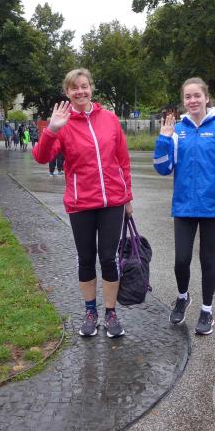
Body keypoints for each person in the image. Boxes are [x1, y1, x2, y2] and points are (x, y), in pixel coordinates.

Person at [32, 68, 133, 338]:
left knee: (109, 258)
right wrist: (52, 130)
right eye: (74, 88)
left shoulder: (110, 119)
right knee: (86, 259)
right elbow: (41, 157)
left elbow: (122, 160)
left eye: (84, 86)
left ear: (91, 88)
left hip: (112, 201)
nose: (80, 91)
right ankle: (90, 312)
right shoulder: (62, 124)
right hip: (81, 203)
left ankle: (110, 313)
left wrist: (128, 198)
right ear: (67, 92)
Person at [153, 77, 215, 336]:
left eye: (197, 95)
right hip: (183, 206)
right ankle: (183, 297)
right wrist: (164, 139)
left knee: (207, 259)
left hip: (212, 207)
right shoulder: (177, 131)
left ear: (206, 97)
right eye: (188, 97)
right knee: (181, 260)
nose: (192, 100)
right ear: (184, 101)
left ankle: (207, 310)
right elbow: (162, 168)